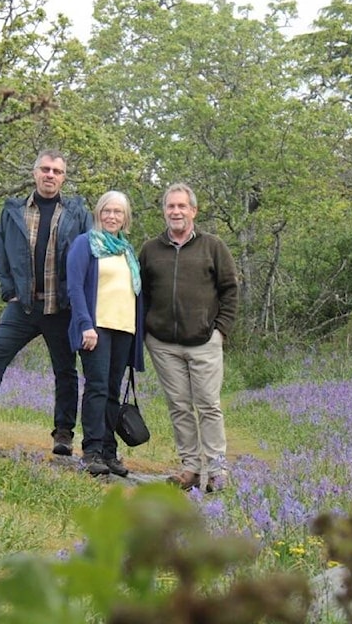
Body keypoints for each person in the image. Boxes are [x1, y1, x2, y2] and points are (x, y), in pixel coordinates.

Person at [0, 149, 93, 458]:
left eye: (56, 171)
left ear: (64, 177)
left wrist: (80, 301)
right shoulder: (13, 209)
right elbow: (0, 251)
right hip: (23, 305)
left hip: (61, 306)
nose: (50, 175)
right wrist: (8, 289)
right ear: (35, 173)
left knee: (65, 371)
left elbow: (87, 257)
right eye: (45, 169)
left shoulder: (78, 212)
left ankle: (63, 433)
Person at [138, 183, 238, 492]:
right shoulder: (150, 249)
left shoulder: (213, 246)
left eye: (182, 206)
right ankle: (190, 467)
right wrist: (144, 332)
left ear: (193, 210)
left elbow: (230, 289)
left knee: (208, 403)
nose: (176, 212)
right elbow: (140, 293)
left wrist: (221, 329)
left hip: (204, 340)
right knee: (179, 406)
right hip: (163, 343)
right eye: (171, 206)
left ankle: (217, 468)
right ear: (164, 211)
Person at [66, 191, 145, 476]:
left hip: (124, 328)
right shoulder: (85, 244)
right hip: (96, 328)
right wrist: (85, 324)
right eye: (107, 211)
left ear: (125, 218)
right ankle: (91, 451)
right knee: (97, 388)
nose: (112, 216)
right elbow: (74, 287)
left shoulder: (126, 250)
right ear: (99, 213)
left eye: (118, 212)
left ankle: (109, 452)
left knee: (113, 391)